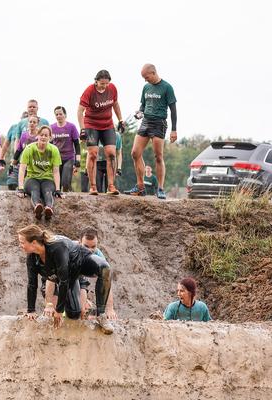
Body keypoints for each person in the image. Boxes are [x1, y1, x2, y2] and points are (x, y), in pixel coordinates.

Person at [18, 224, 114, 333]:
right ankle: (82, 310)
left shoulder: (57, 247)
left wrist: (59, 310)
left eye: (22, 242)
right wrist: (31, 310)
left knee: (105, 269)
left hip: (81, 262)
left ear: (34, 242)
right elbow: (32, 284)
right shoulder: (32, 257)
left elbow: (64, 281)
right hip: (70, 276)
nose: (20, 245)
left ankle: (101, 315)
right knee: (74, 314)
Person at [125, 63, 177, 199]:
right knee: (135, 153)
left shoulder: (167, 87)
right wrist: (140, 112)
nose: (145, 80)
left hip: (159, 123)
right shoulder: (146, 87)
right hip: (145, 121)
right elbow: (143, 104)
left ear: (153, 73)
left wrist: (174, 130)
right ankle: (140, 186)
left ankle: (160, 188)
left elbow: (173, 110)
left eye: (146, 77)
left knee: (158, 156)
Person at [78, 70, 124, 195]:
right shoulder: (89, 91)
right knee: (93, 153)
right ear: (96, 81)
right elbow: (80, 111)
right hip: (91, 124)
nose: (104, 86)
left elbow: (115, 104)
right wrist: (82, 129)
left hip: (107, 124)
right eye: (102, 83)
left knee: (111, 153)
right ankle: (93, 186)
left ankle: (111, 186)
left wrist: (120, 120)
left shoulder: (112, 89)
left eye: (106, 83)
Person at [16, 126, 62, 221]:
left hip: (47, 178)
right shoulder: (29, 148)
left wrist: (58, 189)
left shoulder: (54, 150)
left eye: (46, 135)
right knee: (35, 190)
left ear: (50, 137)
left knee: (48, 191)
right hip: (32, 178)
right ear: (37, 136)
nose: (43, 137)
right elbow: (22, 169)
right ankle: (37, 207)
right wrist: (20, 188)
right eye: (41, 135)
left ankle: (48, 209)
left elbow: (56, 171)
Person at [79, 227, 116, 320]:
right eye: (86, 246)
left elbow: (106, 284)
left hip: (83, 274)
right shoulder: (71, 250)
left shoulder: (99, 256)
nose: (90, 250)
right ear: (79, 242)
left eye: (93, 247)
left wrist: (109, 308)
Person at [50, 106, 81, 192]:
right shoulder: (52, 128)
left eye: (60, 114)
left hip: (68, 158)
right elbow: (50, 145)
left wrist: (77, 160)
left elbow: (77, 144)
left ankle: (69, 195)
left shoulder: (71, 127)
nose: (58, 116)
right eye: (56, 114)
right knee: (57, 184)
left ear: (65, 115)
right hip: (56, 159)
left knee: (65, 182)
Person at [0, 111, 28, 190]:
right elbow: (6, 144)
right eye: (24, 117)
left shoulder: (33, 129)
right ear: (21, 119)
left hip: (28, 161)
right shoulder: (14, 128)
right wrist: (1, 157)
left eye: (27, 117)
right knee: (11, 184)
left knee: (25, 185)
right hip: (14, 160)